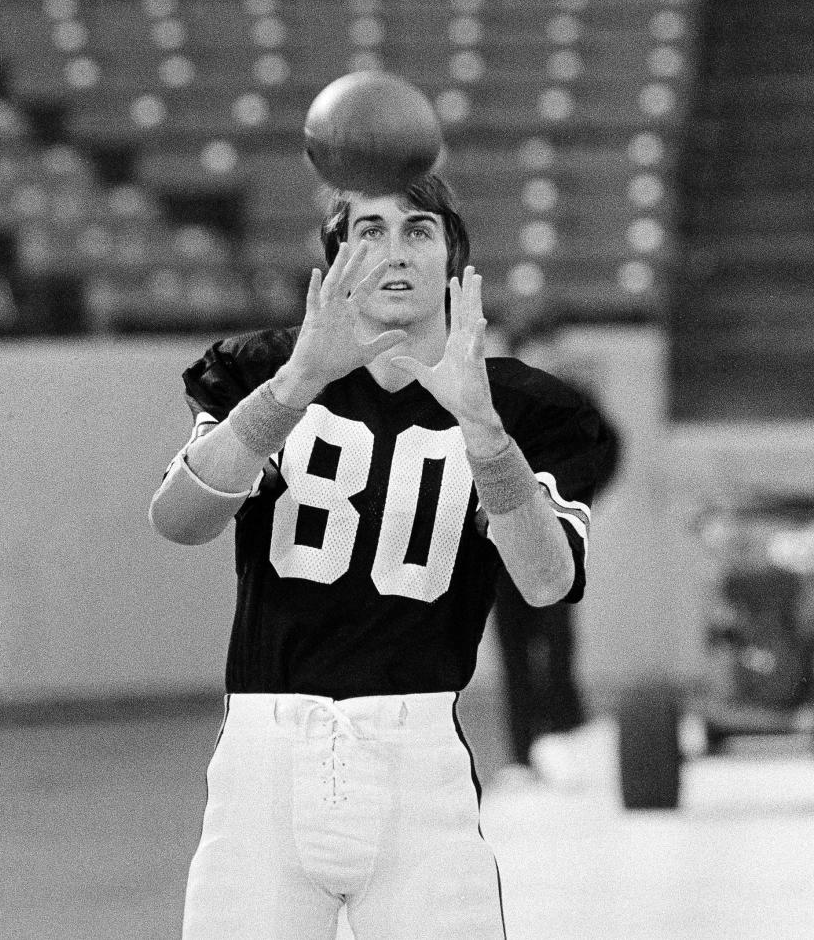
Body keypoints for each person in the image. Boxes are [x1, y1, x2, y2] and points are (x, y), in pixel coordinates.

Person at [149, 172, 617, 940]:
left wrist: (484, 433)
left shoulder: (521, 405)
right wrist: (297, 384)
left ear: (453, 262)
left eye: (418, 230)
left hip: (418, 760)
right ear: (335, 260)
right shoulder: (266, 370)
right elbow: (180, 520)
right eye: (369, 230)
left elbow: (545, 582)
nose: (395, 252)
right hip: (264, 759)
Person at [491, 311, 622, 789]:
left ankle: (568, 735)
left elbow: (609, 450)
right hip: (502, 540)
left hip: (555, 534)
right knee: (513, 644)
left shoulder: (573, 400)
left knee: (558, 637)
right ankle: (524, 751)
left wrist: (576, 503)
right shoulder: (493, 397)